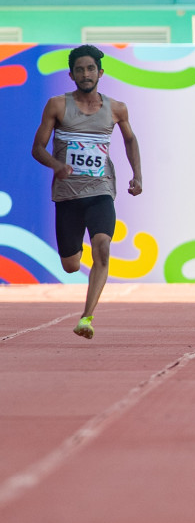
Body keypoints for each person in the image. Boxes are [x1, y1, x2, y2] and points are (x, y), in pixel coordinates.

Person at [30, 45, 143, 339]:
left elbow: (130, 140)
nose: (85, 74)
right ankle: (74, 262)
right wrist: (57, 165)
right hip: (67, 195)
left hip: (101, 190)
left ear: (100, 73)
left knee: (103, 246)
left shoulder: (116, 108)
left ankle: (86, 317)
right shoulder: (57, 105)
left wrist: (137, 176)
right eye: (79, 69)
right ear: (71, 75)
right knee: (71, 265)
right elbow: (37, 148)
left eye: (90, 68)